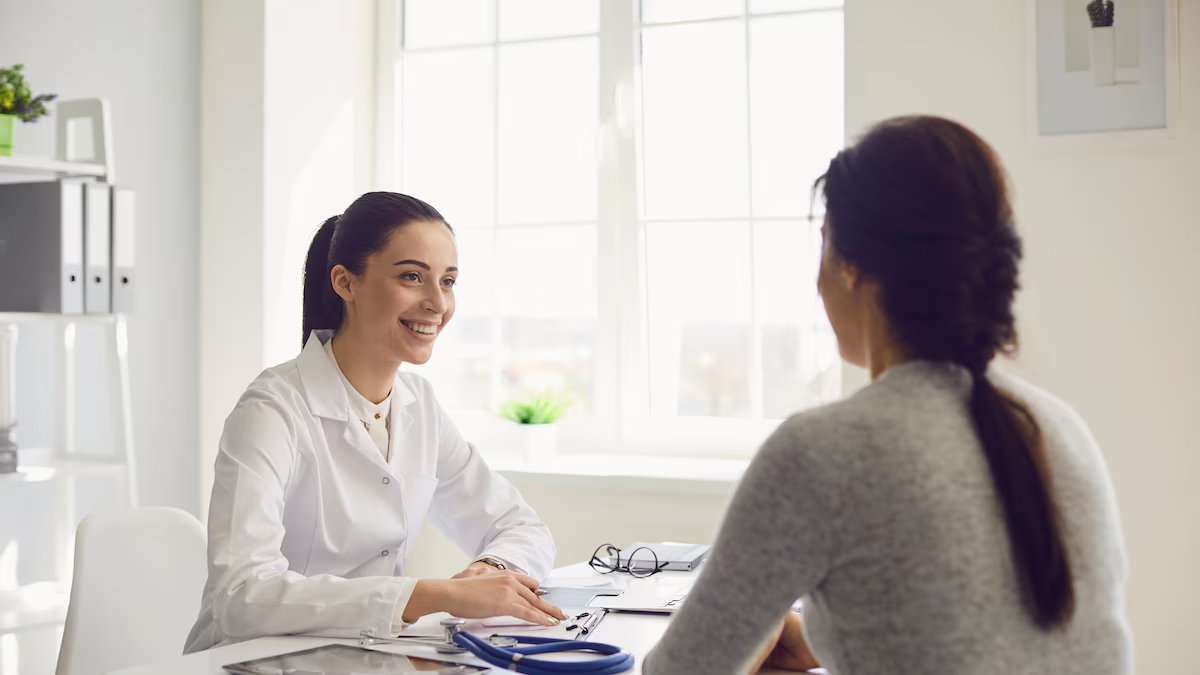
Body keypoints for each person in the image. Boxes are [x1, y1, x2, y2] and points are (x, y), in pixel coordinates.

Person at [643, 116, 1132, 674]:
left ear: (850, 266)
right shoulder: (1057, 428)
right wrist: (831, 640)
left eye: (824, 246)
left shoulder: (821, 451)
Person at [185, 192, 566, 653]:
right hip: (251, 658)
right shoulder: (272, 409)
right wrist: (432, 595)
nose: (437, 303)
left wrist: (490, 570)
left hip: (363, 654)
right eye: (412, 276)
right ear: (345, 282)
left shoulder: (418, 405)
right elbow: (242, 597)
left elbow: (523, 528)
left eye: (448, 281)